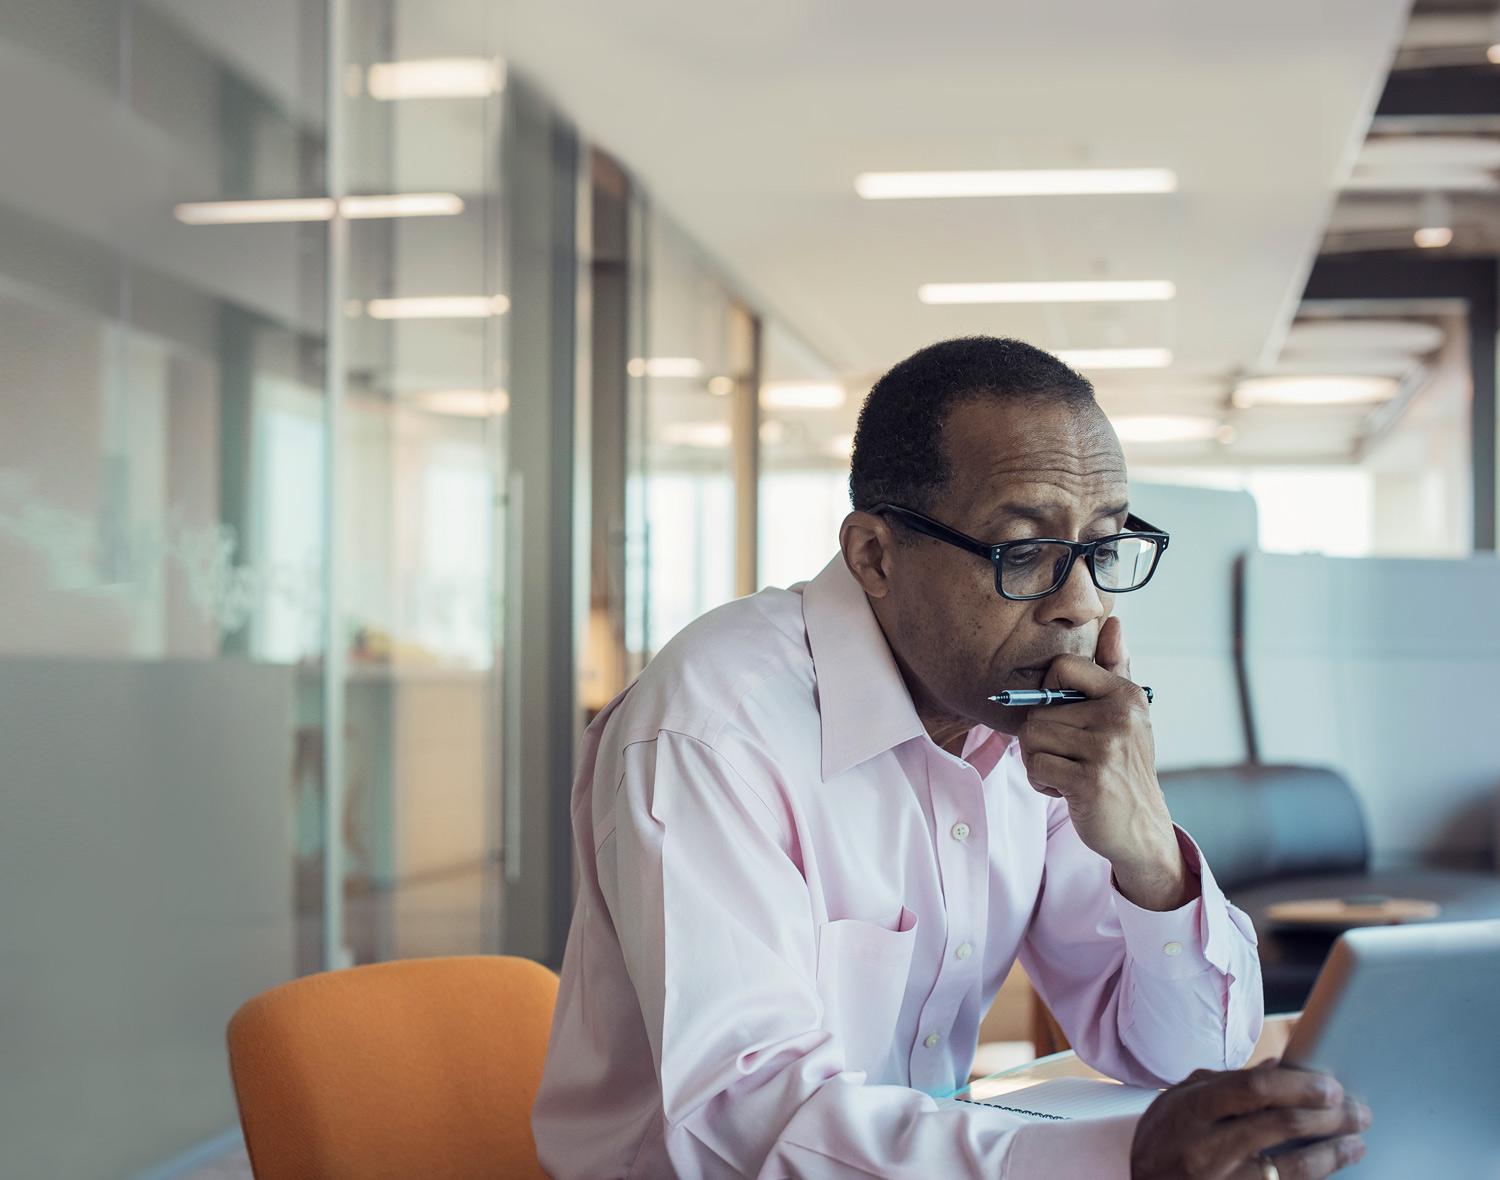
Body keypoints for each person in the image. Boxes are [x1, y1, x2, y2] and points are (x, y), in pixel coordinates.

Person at [533, 337, 1371, 1178]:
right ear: (874, 556)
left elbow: (1184, 1060)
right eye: (1023, 550)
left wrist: (1149, 851)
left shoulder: (1025, 721)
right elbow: (739, 1127)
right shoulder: (711, 731)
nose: (1079, 602)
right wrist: (1121, 1159)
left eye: (1103, 547)